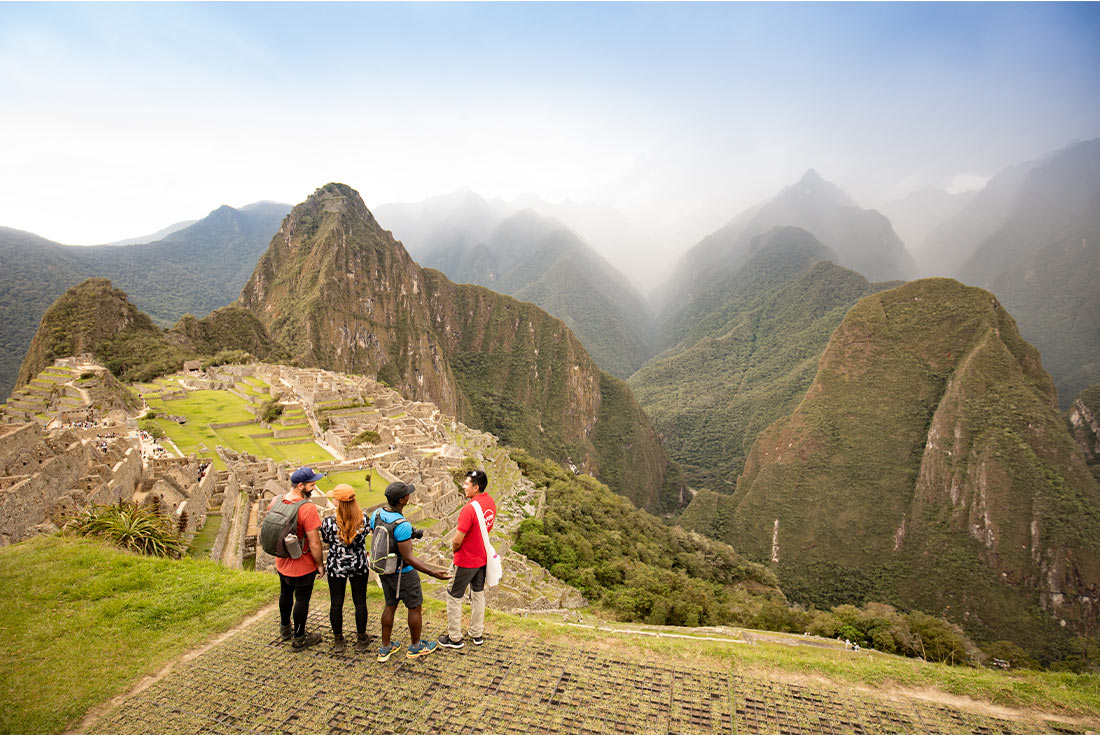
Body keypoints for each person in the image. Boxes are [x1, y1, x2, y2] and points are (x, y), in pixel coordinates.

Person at [371, 481, 451, 661]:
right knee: (414, 607)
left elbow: (380, 538)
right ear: (402, 500)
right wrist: (433, 573)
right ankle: (415, 647)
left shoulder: (376, 514)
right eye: (407, 494)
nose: (410, 496)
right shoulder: (402, 524)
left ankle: (385, 647)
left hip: (385, 570)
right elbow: (408, 558)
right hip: (404, 572)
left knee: (390, 605)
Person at [439, 469, 496, 649]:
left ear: (476, 487)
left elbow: (457, 539)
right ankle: (476, 633)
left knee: (454, 595)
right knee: (478, 595)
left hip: (466, 560)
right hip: (482, 558)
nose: (464, 486)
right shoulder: (490, 503)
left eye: (467, 484)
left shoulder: (469, 509)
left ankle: (454, 637)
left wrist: (454, 549)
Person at [274, 467, 326, 650]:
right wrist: (320, 564)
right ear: (301, 486)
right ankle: (299, 637)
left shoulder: (277, 501)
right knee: (302, 599)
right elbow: (314, 543)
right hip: (302, 564)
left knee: (285, 594)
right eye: (312, 485)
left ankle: (285, 629)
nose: (314, 488)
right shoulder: (307, 508)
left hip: (282, 561)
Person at [320, 484, 371, 653]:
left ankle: (339, 640)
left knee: (336, 603)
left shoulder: (328, 522)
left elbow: (327, 540)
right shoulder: (363, 519)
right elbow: (365, 535)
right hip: (358, 565)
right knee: (360, 602)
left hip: (337, 566)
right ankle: (361, 638)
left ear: (337, 502)